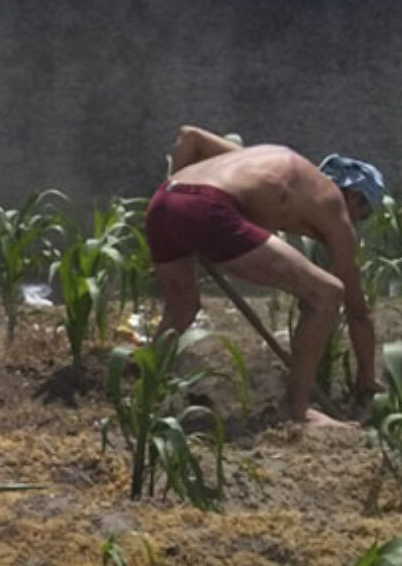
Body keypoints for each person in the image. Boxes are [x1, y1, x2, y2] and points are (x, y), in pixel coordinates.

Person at [151, 125, 383, 426]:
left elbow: (189, 136)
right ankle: (297, 410)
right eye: (362, 215)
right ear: (354, 197)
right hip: (208, 208)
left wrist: (182, 208)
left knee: (182, 307)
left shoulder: (265, 159)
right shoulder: (334, 205)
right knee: (327, 294)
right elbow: (357, 311)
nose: (355, 223)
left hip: (164, 201)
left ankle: (145, 391)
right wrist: (367, 377)